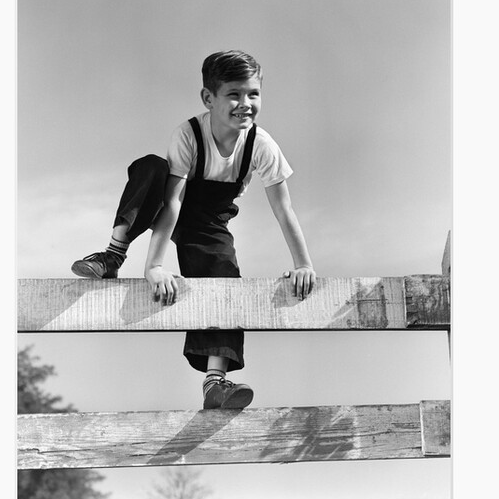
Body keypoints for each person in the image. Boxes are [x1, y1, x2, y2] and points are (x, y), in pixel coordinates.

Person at [71, 50, 316, 410]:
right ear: (208, 98)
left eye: (253, 94)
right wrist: (153, 266)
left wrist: (304, 264)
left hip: (210, 222)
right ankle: (113, 253)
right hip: (173, 201)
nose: (244, 103)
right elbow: (172, 204)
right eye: (233, 94)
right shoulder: (188, 134)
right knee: (152, 167)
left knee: (224, 277)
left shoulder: (260, 145)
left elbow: (284, 208)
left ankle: (215, 383)